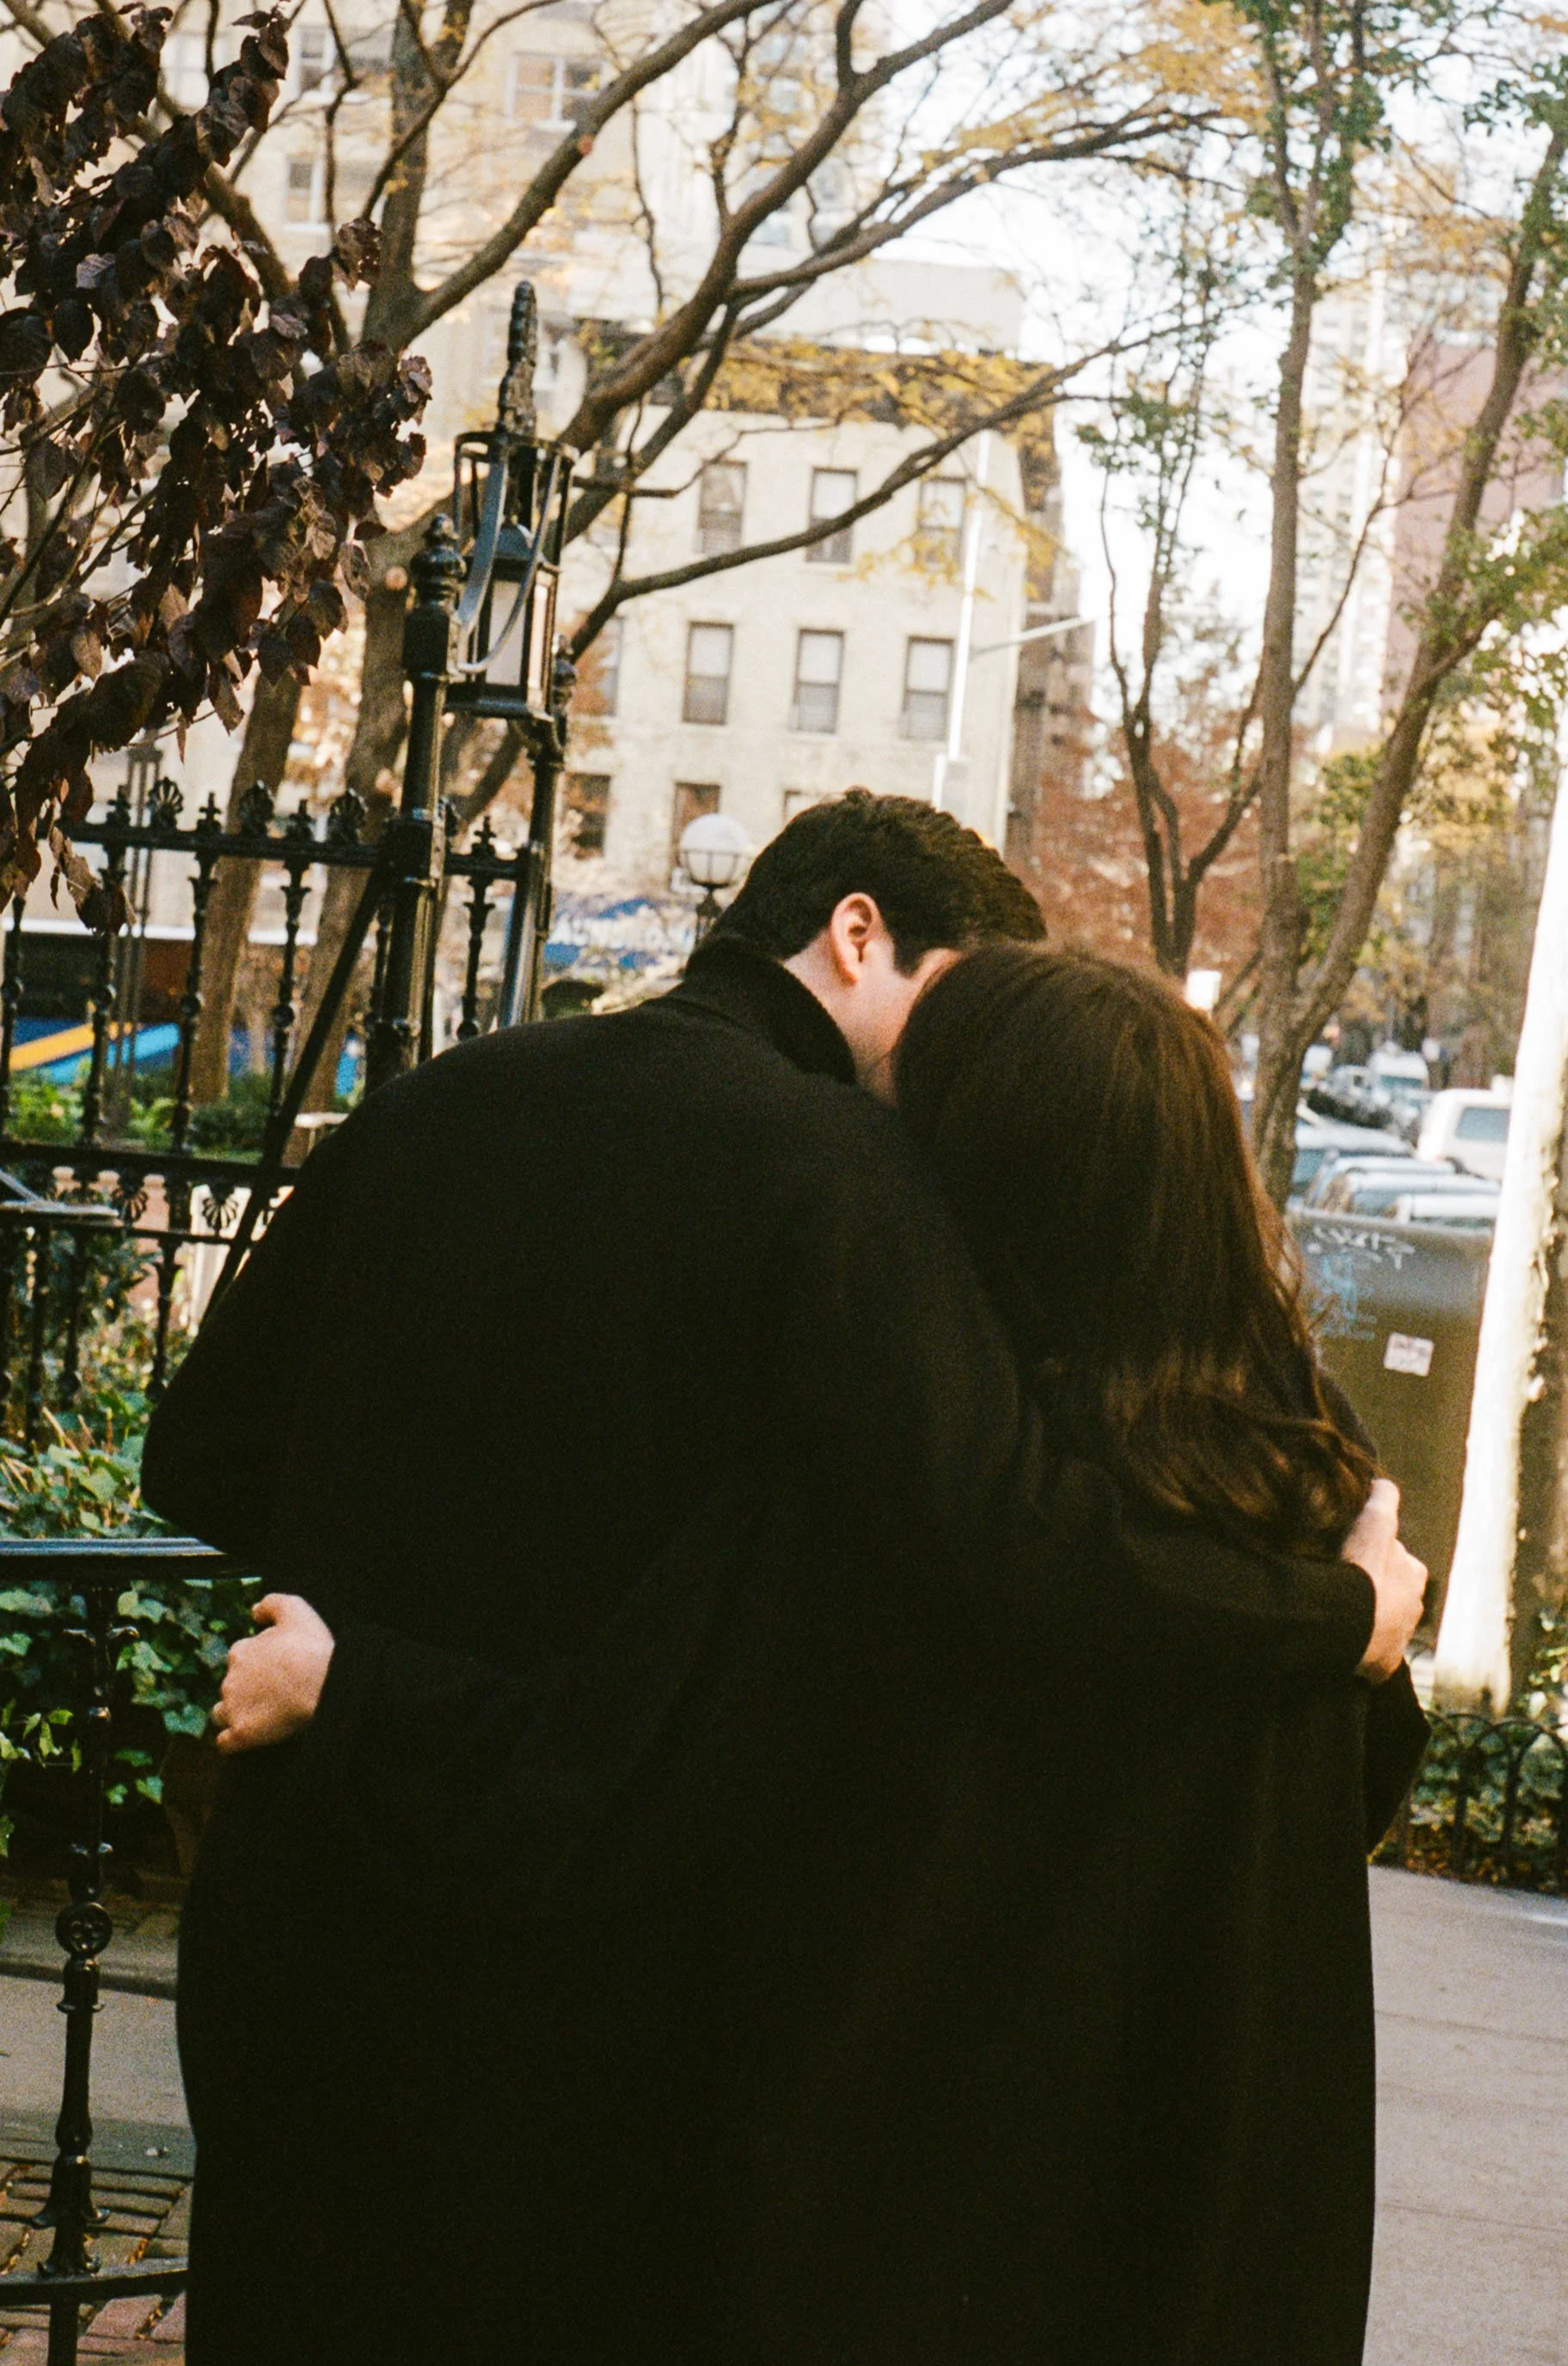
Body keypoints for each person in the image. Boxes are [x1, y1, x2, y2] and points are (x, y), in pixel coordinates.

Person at [140, 793, 1424, 2363]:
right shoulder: (849, 1184)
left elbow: (197, 1455)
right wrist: (1344, 1614)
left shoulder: (438, 1098)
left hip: (311, 1887)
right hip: (585, 1931)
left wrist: (389, 1589)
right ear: (858, 933)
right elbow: (1011, 1535)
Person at [890, 943, 1429, 2364]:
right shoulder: (1308, 1470)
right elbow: (1367, 1782)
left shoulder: (985, 1467)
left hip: (982, 2151)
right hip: (1239, 2156)